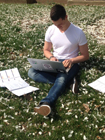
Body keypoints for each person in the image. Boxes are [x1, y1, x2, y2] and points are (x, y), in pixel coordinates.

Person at [28, 4, 89, 117]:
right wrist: (51, 57)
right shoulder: (51, 29)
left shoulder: (78, 32)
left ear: (66, 17)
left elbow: (85, 56)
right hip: (55, 62)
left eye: (60, 24)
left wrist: (71, 60)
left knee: (61, 79)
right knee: (31, 72)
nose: (58, 27)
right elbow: (46, 50)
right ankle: (69, 82)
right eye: (55, 25)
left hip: (71, 63)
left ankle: (46, 103)